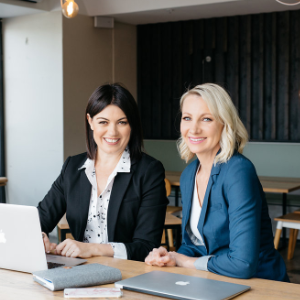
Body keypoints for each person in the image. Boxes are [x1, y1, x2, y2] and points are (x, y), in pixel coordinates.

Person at [145, 83, 289, 281]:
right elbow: (193, 244)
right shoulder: (189, 174)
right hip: (214, 281)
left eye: (206, 119)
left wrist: (185, 261)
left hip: (260, 284)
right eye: (187, 118)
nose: (193, 129)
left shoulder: (238, 170)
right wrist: (171, 257)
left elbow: (242, 264)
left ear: (225, 123)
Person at [38, 83, 168, 262]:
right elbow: (40, 219)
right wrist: (39, 237)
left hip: (127, 273)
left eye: (122, 122)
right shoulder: (72, 167)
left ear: (132, 125)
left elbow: (146, 246)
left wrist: (92, 249)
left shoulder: (149, 172)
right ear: (90, 121)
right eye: (103, 122)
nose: (112, 132)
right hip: (78, 270)